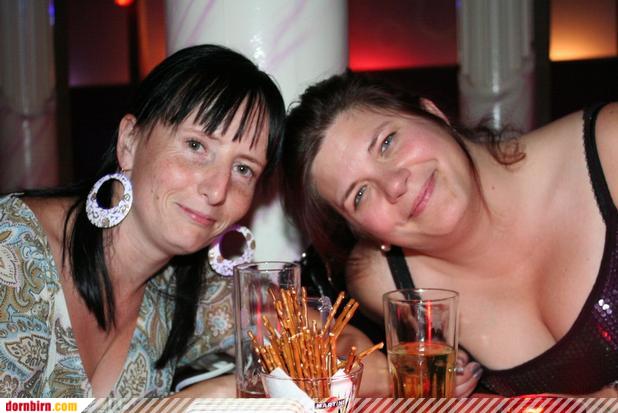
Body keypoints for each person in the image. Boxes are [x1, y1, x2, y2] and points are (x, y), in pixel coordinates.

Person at [281, 71, 618, 397]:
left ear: (433, 113)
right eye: (359, 194)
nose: (394, 184)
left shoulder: (608, 146)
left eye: (387, 143)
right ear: (364, 232)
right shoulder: (385, 281)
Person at [0, 44, 287, 398]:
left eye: (243, 169)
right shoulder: (13, 248)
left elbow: (324, 339)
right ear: (129, 143)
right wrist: (179, 405)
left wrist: (227, 389)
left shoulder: (182, 288)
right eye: (196, 146)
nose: (217, 190)